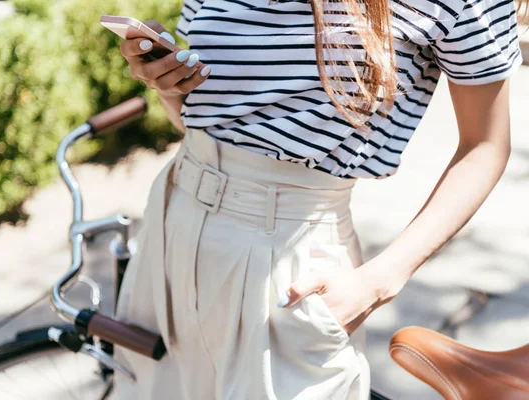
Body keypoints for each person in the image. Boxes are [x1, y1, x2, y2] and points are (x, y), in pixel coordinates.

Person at [113, 0, 526, 398]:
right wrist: (165, 83)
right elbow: (199, 118)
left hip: (287, 252)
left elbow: (485, 146)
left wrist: (376, 283)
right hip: (171, 221)